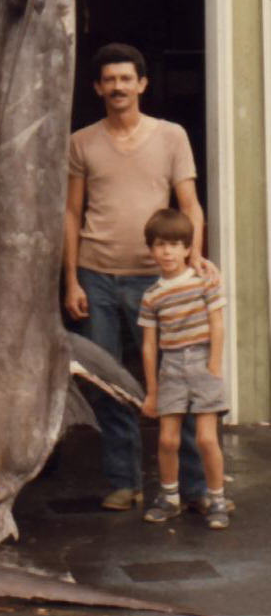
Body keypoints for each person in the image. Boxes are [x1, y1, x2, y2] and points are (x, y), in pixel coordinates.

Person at [63, 42, 214, 512]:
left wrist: (194, 262)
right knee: (108, 382)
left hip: (160, 279)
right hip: (98, 276)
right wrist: (71, 280)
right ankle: (124, 483)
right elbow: (71, 213)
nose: (118, 87)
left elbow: (189, 205)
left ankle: (191, 489)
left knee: (177, 380)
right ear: (97, 88)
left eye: (126, 78)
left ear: (142, 84)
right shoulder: (82, 142)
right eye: (109, 80)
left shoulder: (171, 136)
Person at [138, 208, 230, 530]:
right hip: (172, 366)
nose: (167, 251)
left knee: (206, 438)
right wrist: (152, 389)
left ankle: (216, 498)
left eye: (175, 244)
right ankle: (169, 497)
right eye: (160, 244)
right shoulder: (151, 296)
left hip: (203, 360)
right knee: (167, 440)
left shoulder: (204, 282)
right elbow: (150, 345)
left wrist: (214, 364)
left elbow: (217, 324)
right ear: (151, 249)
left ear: (188, 248)